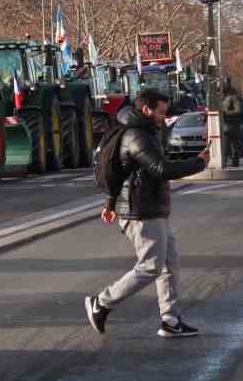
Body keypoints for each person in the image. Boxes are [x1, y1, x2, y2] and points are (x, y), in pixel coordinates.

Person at [85, 87, 208, 339]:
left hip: (149, 207)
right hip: (140, 211)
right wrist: (199, 163)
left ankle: (170, 319)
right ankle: (101, 302)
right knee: (151, 266)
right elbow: (160, 169)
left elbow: (123, 173)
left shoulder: (146, 132)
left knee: (168, 262)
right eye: (161, 112)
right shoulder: (137, 136)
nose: (164, 117)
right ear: (146, 110)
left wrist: (110, 203)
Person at [220, 82, 242, 168]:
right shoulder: (227, 99)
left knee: (229, 145)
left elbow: (237, 110)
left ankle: (230, 161)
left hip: (230, 125)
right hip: (230, 125)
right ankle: (231, 161)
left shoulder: (232, 98)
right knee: (230, 145)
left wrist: (224, 113)